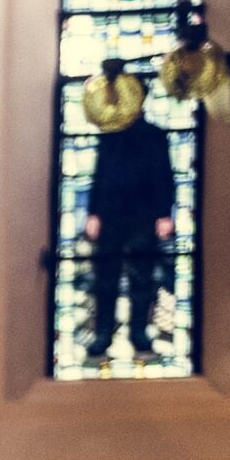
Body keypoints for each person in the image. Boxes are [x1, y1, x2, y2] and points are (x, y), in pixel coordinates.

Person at [83, 85, 177, 366]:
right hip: (111, 215)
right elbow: (98, 176)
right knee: (105, 278)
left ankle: (138, 333)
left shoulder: (155, 136)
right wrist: (94, 213)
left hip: (143, 215)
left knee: (142, 278)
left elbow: (165, 175)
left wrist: (163, 213)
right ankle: (103, 334)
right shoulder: (110, 135)